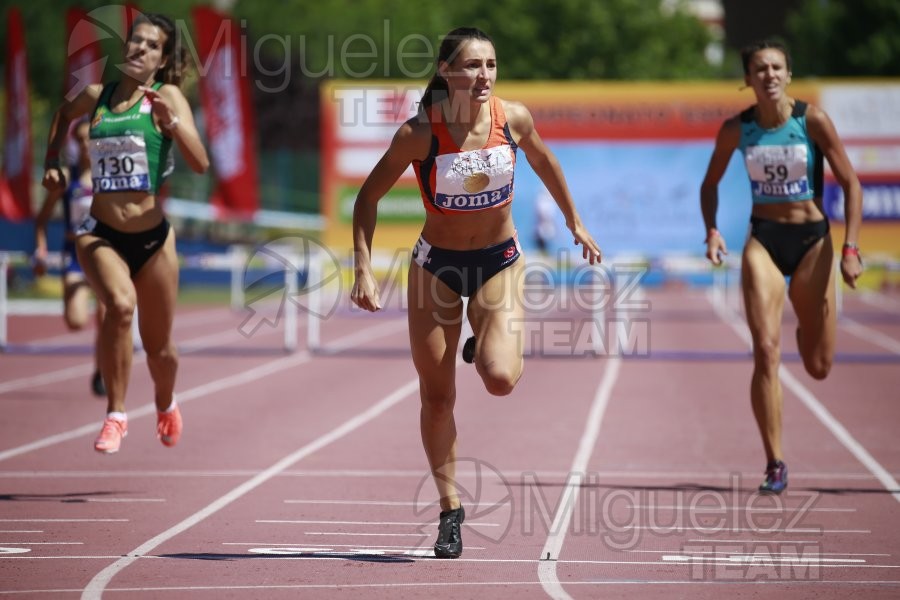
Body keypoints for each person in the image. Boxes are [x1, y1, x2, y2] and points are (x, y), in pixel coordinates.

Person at [351, 27, 601, 557]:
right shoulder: (420, 134)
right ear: (445, 70)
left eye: (490, 64)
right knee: (438, 397)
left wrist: (574, 221)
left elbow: (545, 161)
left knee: (501, 377)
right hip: (435, 268)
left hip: (497, 263)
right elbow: (368, 198)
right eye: (471, 65)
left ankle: (483, 340)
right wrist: (363, 268)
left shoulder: (514, 119)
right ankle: (450, 510)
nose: (483, 75)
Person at [700, 39, 863, 494]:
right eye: (759, 69)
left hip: (813, 241)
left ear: (788, 74)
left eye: (776, 67)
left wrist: (850, 248)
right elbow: (709, 184)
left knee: (818, 366)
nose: (768, 75)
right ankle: (775, 461)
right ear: (748, 79)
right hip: (764, 242)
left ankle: (808, 326)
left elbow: (851, 183)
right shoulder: (738, 129)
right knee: (765, 351)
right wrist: (712, 230)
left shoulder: (811, 121)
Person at [42, 12, 209, 454]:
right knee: (119, 305)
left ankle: (165, 401)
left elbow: (200, 162)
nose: (140, 49)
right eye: (136, 41)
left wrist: (171, 123)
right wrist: (51, 163)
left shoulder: (168, 95)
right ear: (126, 47)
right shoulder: (97, 96)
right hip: (100, 233)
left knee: (161, 351)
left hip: (153, 241)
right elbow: (62, 115)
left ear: (161, 59)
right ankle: (116, 415)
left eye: (151, 45)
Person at [33, 118, 107, 397]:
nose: (86, 145)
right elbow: (40, 220)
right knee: (76, 321)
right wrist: (40, 249)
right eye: (80, 140)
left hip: (102, 255)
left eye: (90, 138)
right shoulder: (65, 178)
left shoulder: (108, 177)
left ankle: (101, 371)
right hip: (74, 256)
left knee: (105, 316)